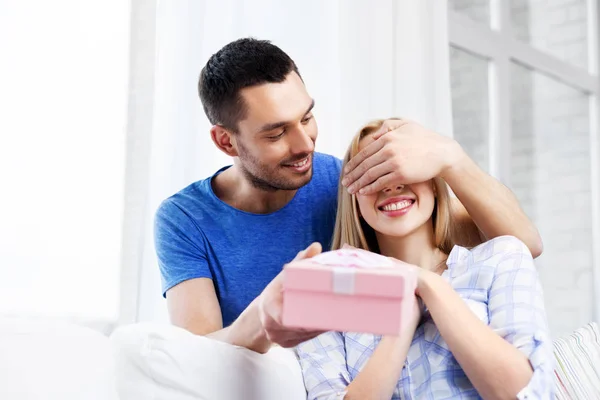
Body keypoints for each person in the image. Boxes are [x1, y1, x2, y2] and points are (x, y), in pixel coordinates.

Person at [155, 37, 543, 354]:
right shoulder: (184, 219)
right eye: (275, 134)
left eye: (306, 117)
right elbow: (197, 355)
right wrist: (264, 316)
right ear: (226, 141)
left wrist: (452, 158)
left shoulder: (353, 180)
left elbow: (523, 244)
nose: (303, 143)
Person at [295, 119, 554, 400]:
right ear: (354, 201)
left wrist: (429, 284)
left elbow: (525, 394)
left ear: (433, 183)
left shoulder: (500, 258)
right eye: (372, 174)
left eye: (401, 169)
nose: (390, 186)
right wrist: (402, 320)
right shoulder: (326, 300)